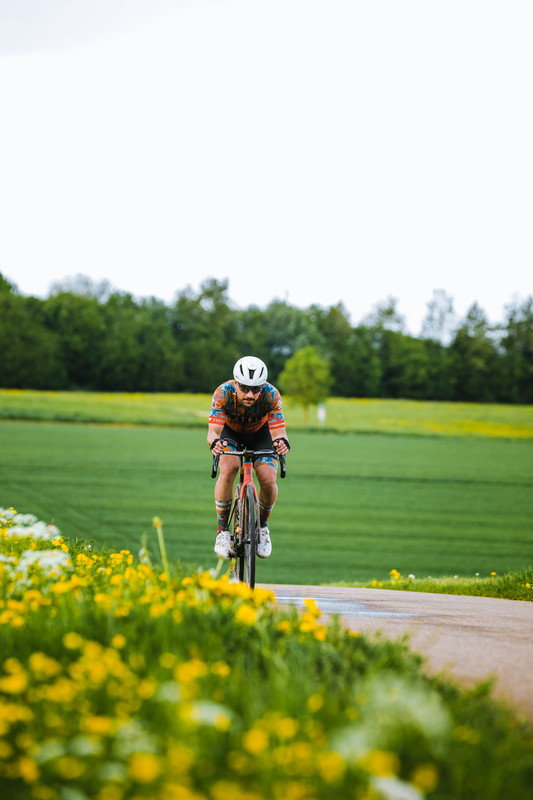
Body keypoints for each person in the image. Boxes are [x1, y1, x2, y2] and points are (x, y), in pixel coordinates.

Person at [207, 355, 290, 559]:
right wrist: (215, 444)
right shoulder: (222, 393)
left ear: (263, 387)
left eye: (256, 389)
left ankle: (262, 526)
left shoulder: (271, 395)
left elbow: (279, 432)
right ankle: (222, 531)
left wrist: (282, 443)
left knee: (269, 480)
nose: (250, 394)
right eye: (244, 388)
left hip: (261, 434)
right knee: (228, 469)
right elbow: (213, 433)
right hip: (230, 433)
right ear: (235, 383)